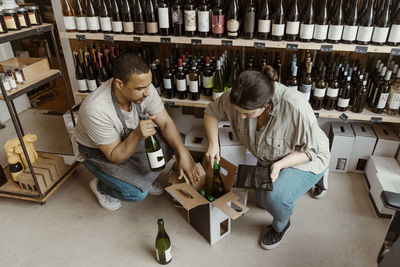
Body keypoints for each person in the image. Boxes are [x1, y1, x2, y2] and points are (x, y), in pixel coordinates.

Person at [204, 67, 330, 250]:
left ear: (266, 104)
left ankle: (281, 225)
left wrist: (279, 165)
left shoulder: (296, 107)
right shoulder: (237, 96)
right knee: (261, 201)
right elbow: (211, 112)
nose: (241, 117)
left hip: (307, 155)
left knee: (274, 198)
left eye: (247, 114)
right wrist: (213, 143)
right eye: (238, 112)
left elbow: (310, 150)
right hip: (270, 156)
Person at [75, 53, 199, 211]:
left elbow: (166, 123)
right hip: (100, 151)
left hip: (130, 137)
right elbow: (115, 156)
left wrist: (184, 154)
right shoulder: (96, 109)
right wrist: (136, 135)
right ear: (120, 84)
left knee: (176, 142)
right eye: (140, 89)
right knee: (135, 193)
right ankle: (101, 186)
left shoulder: (144, 86)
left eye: (148, 86)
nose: (147, 93)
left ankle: (142, 180)